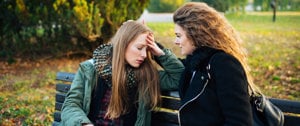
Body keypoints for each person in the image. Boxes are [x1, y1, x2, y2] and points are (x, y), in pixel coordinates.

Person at [60, 20, 184, 126]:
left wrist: (159, 52)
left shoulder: (147, 75)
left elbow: (180, 78)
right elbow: (71, 105)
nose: (144, 55)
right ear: (123, 45)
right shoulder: (91, 69)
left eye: (147, 49)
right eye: (139, 48)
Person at [173, 2, 259, 125]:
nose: (176, 41)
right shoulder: (197, 62)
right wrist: (153, 49)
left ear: (195, 34)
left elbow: (239, 122)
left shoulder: (224, 64)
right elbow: (175, 65)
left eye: (178, 36)